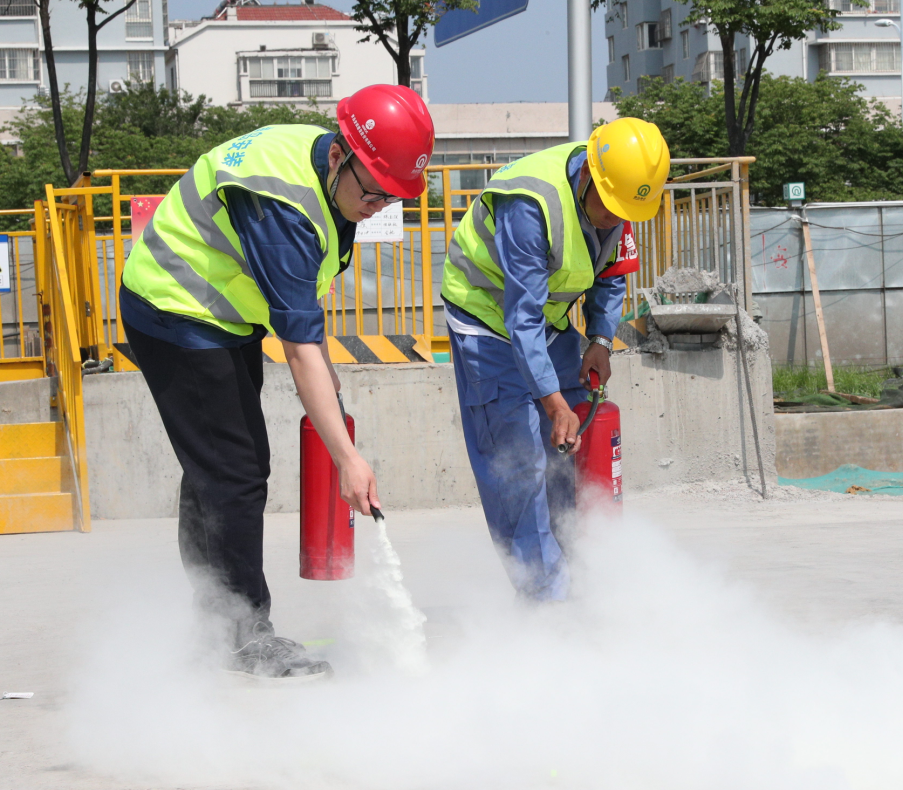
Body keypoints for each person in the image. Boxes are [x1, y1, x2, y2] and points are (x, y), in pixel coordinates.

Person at [119, 84, 435, 680]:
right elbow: (297, 348)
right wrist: (347, 459)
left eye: (392, 197)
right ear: (340, 155)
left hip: (225, 312)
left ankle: (214, 625)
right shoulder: (282, 206)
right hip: (175, 307)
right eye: (373, 193)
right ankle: (242, 637)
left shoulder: (329, 177)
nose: (378, 207)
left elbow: (305, 306)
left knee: (218, 467)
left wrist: (327, 379)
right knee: (236, 472)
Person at [441, 117, 670, 601]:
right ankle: (545, 603)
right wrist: (552, 400)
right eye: (609, 209)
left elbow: (610, 274)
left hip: (549, 320)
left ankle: (574, 577)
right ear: (587, 175)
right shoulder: (530, 206)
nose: (614, 219)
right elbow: (520, 317)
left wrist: (601, 339)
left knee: (564, 452)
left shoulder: (619, 188)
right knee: (518, 460)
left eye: (624, 213)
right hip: (488, 320)